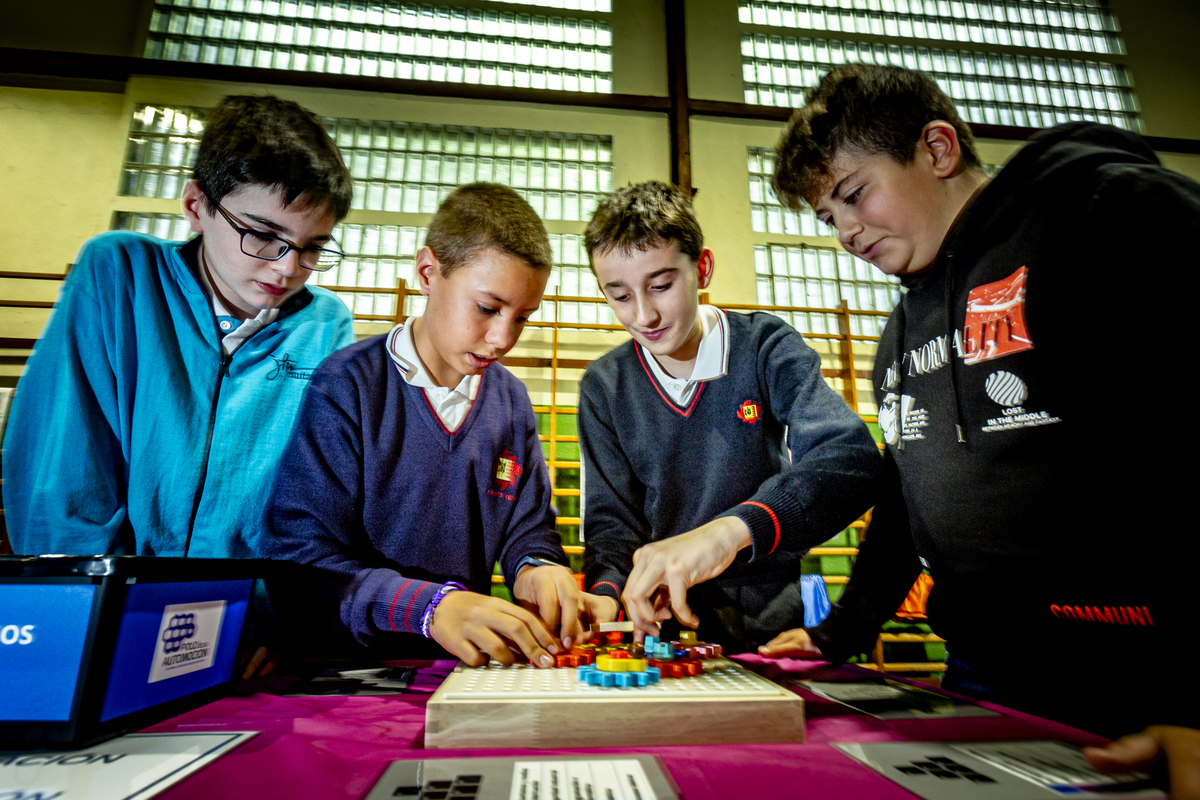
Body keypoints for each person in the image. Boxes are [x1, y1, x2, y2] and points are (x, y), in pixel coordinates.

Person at [762, 62, 1197, 789]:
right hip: (983, 673)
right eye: (826, 216)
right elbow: (910, 500)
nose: (844, 230)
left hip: (1148, 682)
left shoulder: (1109, 210)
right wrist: (841, 630)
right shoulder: (899, 334)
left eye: (854, 194)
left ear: (936, 150)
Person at [262, 183, 602, 667]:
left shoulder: (510, 400)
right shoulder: (346, 386)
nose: (503, 337)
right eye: (487, 308)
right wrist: (429, 608)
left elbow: (527, 528)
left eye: (522, 318)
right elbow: (301, 560)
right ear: (428, 272)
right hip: (350, 672)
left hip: (465, 672)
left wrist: (537, 568)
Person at [4, 95, 355, 560]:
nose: (288, 267)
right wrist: (88, 589)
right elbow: (65, 461)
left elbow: (315, 492)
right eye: (263, 235)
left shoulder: (325, 324)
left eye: (312, 246)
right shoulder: (120, 273)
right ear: (196, 205)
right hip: (106, 589)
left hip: (246, 604)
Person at [578, 180, 881, 651]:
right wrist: (603, 595)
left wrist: (729, 533)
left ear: (702, 268)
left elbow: (848, 460)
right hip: (659, 629)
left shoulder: (764, 347)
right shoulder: (605, 386)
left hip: (767, 618)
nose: (643, 315)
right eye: (619, 295)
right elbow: (611, 521)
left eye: (660, 285)